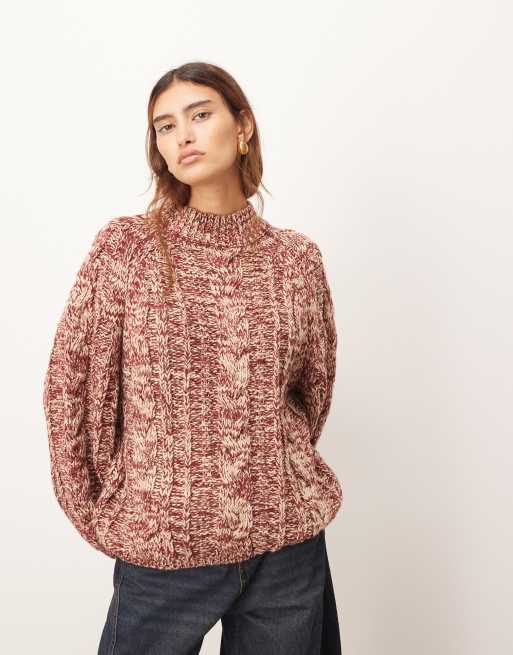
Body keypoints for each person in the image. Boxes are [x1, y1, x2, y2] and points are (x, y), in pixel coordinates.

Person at [42, 61, 343, 655]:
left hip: (286, 549)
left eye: (200, 115)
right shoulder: (127, 249)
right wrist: (103, 512)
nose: (182, 135)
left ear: (243, 127)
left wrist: (267, 473)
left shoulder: (296, 260)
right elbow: (72, 387)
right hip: (161, 549)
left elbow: (310, 393)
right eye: (164, 126)